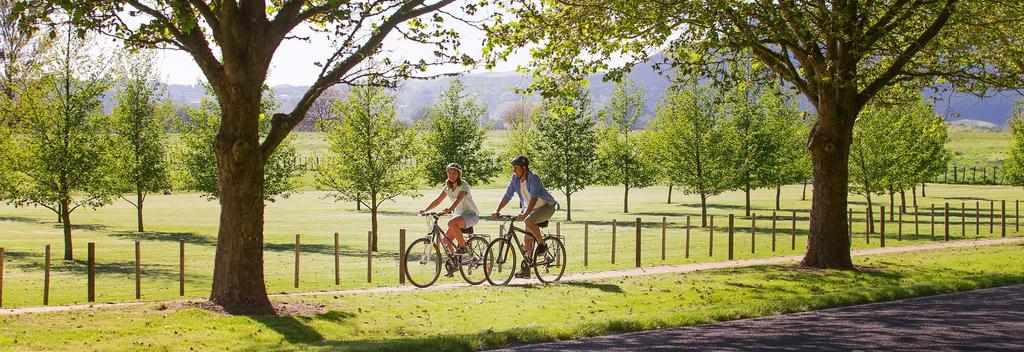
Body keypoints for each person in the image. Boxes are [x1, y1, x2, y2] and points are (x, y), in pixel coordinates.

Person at [491, 155, 558, 278]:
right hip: (530, 210)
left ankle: (542, 244)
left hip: (546, 207)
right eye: (513, 168)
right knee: (527, 240)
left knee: (528, 221)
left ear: (524, 168)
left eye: (516, 168)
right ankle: (526, 270)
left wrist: (526, 213)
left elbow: (534, 198)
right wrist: (497, 210)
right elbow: (507, 195)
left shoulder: (534, 178)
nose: (514, 170)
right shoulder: (515, 179)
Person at [420, 163, 480, 276]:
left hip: (471, 215)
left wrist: (449, 209)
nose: (451, 175)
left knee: (451, 222)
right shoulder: (447, 187)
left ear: (458, 174)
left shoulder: (464, 185)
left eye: (454, 173)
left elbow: (459, 198)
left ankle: (463, 247)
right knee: (446, 241)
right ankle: (455, 263)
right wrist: (425, 210)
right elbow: (438, 200)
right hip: (458, 216)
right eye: (449, 173)